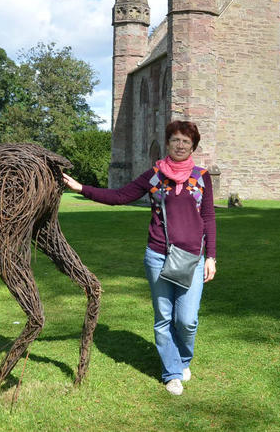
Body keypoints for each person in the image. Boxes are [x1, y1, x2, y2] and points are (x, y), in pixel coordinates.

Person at [62, 120, 216, 396]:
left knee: (187, 320)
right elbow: (120, 196)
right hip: (158, 255)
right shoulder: (155, 175)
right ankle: (172, 372)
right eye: (175, 140)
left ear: (193, 146)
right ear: (167, 143)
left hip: (193, 258)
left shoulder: (202, 176)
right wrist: (81, 188)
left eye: (185, 141)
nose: (180, 145)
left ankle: (183, 359)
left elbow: (208, 219)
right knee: (164, 317)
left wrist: (211, 256)